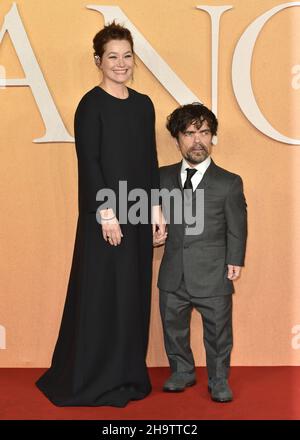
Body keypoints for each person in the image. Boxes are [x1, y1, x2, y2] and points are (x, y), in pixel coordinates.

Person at [36, 22, 164, 407]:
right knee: (104, 295)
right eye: (113, 56)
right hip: (105, 218)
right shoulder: (90, 105)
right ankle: (95, 375)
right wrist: (106, 214)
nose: (121, 63)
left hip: (139, 215)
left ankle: (127, 373)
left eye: (127, 56)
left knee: (133, 294)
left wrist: (157, 209)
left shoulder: (144, 104)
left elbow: (149, 160)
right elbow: (89, 163)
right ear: (98, 60)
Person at [154, 103, 247, 402]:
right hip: (173, 271)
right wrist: (151, 234)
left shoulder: (229, 182)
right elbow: (149, 217)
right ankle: (182, 371)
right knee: (173, 326)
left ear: (212, 137)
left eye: (204, 132)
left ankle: (219, 379)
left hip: (214, 271)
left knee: (219, 332)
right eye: (190, 133)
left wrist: (235, 259)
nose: (198, 141)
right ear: (177, 139)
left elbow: (237, 226)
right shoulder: (160, 178)